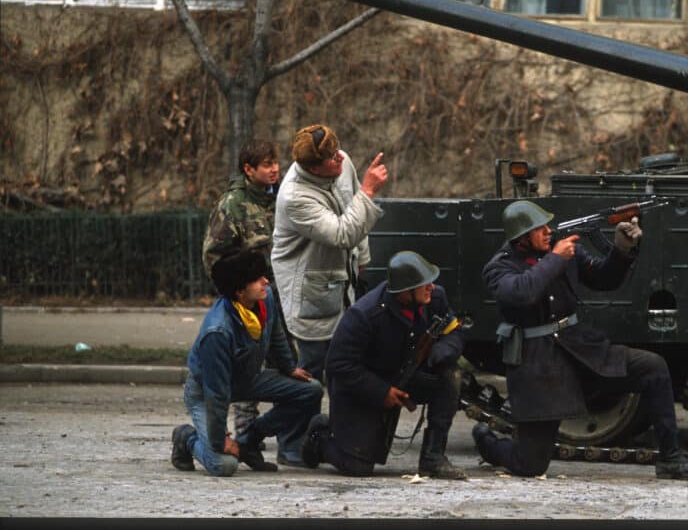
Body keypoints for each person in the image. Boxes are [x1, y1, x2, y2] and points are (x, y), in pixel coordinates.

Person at [470, 200, 688, 481]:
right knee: (531, 465)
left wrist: (621, 250)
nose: (549, 231)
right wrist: (556, 259)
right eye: (540, 228)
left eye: (548, 225)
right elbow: (521, 293)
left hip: (580, 349)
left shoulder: (561, 248)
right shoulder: (499, 267)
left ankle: (671, 459)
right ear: (522, 237)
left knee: (653, 367)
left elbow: (603, 279)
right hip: (539, 366)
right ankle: (488, 443)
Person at [298, 251, 468, 480]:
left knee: (451, 375)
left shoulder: (435, 299)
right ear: (406, 291)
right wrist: (381, 392)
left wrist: (436, 355)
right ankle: (320, 439)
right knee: (357, 466)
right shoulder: (364, 315)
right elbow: (339, 365)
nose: (431, 287)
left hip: (408, 374)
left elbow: (453, 333)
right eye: (424, 283)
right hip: (364, 386)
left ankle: (433, 458)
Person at [170, 249, 322, 476]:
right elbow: (217, 394)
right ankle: (186, 438)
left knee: (311, 390)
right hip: (206, 391)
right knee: (224, 465)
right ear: (240, 291)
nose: (265, 281)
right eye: (257, 279)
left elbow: (276, 335)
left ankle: (248, 440)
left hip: (245, 379)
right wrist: (219, 438)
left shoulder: (264, 298)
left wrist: (289, 368)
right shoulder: (218, 331)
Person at [271, 123, 388, 384]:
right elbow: (342, 233)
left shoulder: (341, 161)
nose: (340, 158)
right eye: (332, 158)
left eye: (337, 151)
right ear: (314, 168)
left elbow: (355, 206)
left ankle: (339, 424)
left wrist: (363, 257)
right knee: (311, 370)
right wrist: (369, 190)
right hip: (309, 290)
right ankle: (295, 424)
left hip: (341, 280)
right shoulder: (295, 196)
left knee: (345, 364)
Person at [201, 138, 282, 458]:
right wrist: (238, 294)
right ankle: (247, 436)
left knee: (283, 361)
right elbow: (214, 256)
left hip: (279, 294)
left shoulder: (278, 200)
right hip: (247, 300)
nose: (274, 169)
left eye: (275, 162)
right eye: (266, 164)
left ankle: (280, 436)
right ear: (248, 170)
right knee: (248, 366)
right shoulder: (232, 205)